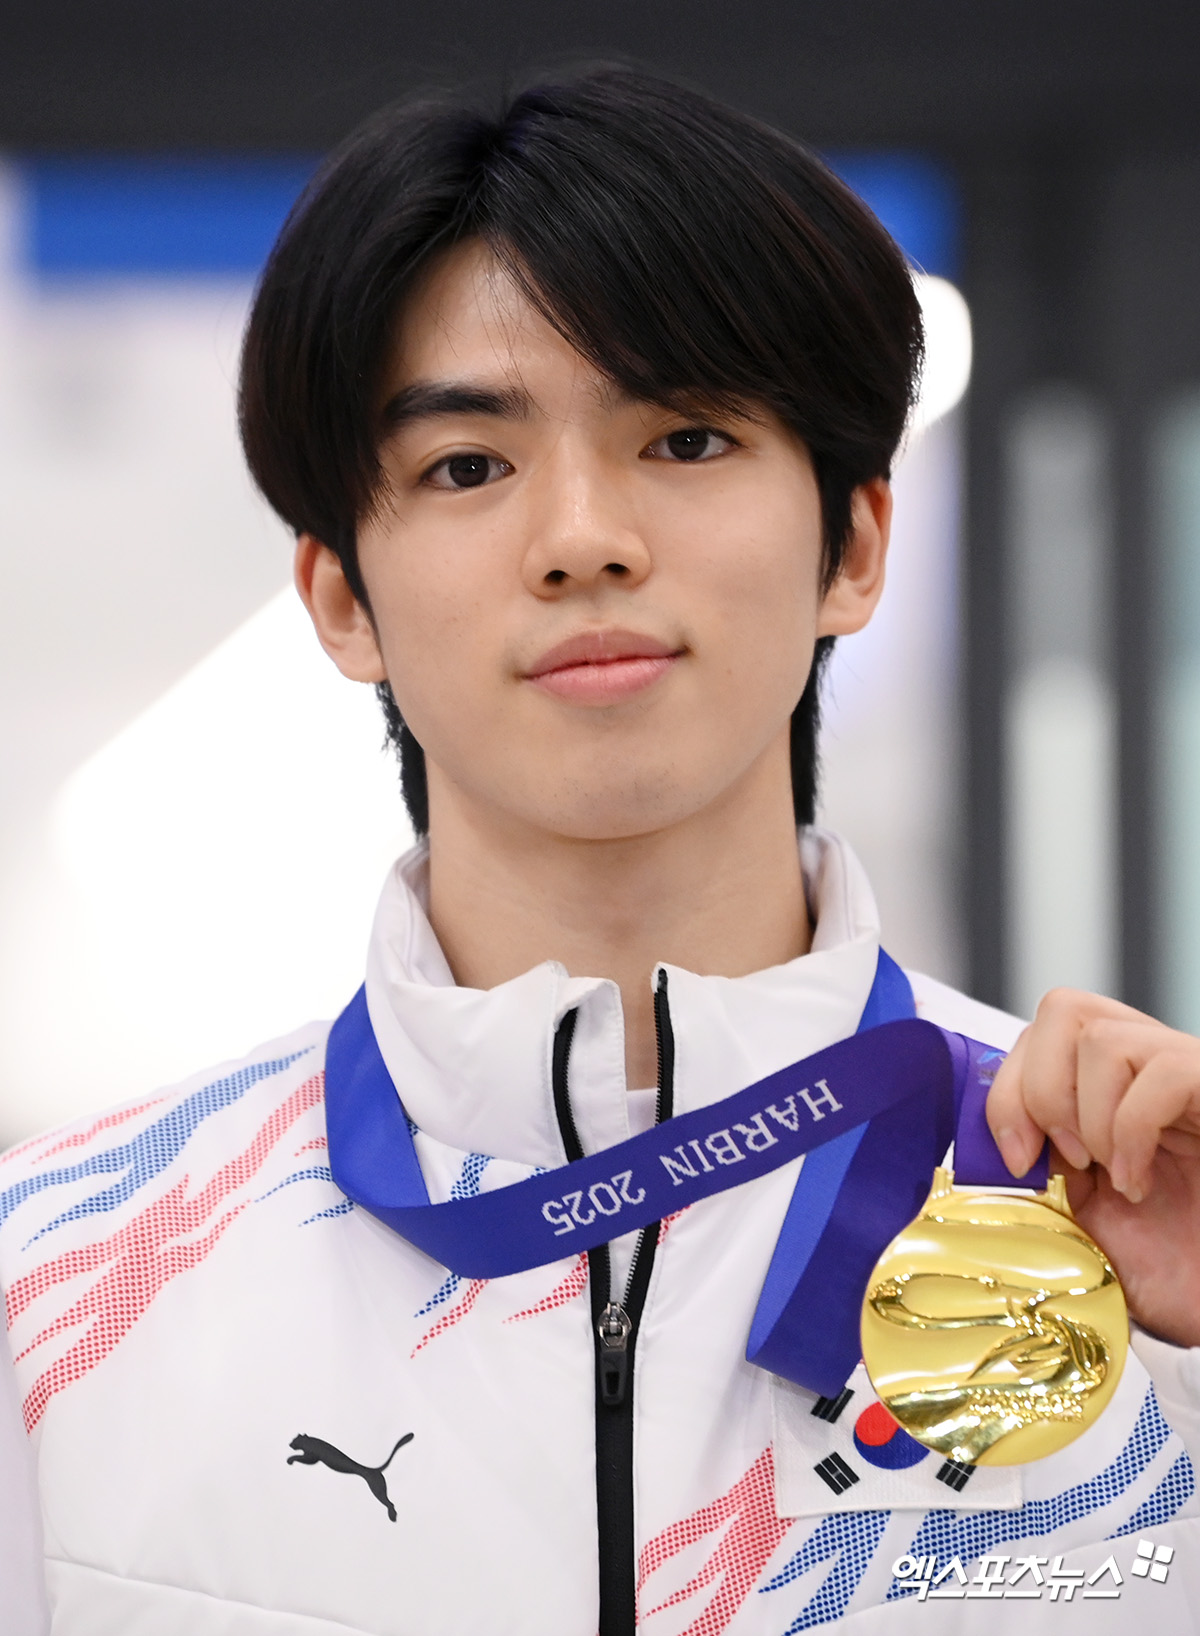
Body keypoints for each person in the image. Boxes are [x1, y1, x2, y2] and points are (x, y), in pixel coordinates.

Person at [1, 66, 1198, 1636]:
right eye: (468, 466)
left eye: (687, 439)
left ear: (852, 546)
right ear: (342, 600)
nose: (583, 538)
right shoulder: (59, 1292)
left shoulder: (1129, 1222)